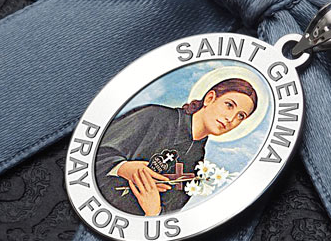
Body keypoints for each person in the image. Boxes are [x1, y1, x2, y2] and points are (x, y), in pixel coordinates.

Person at [95, 78, 257, 216]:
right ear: (210, 98)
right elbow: (95, 149)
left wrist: (154, 211)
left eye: (240, 116)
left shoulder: (197, 165)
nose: (231, 118)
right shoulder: (154, 115)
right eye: (229, 105)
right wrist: (123, 168)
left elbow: (170, 214)